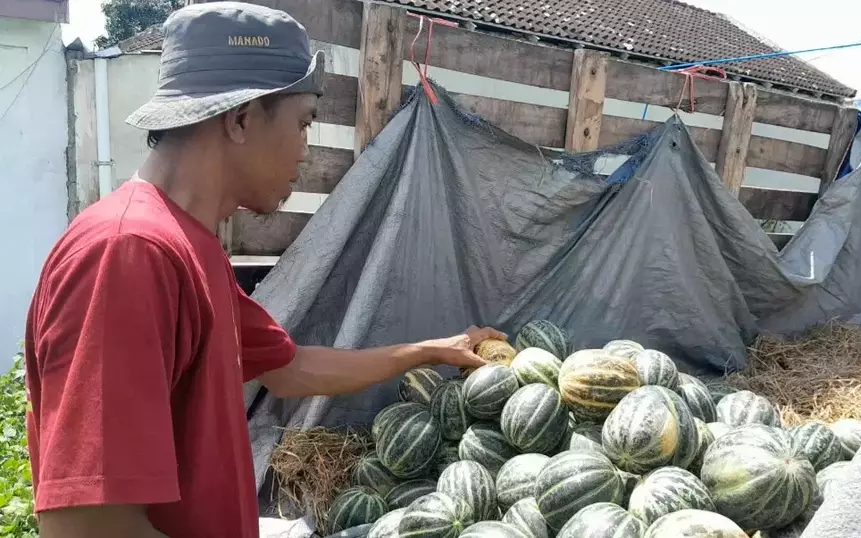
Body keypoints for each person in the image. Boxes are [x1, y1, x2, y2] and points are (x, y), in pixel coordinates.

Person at [23, 3, 504, 537]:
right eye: (302, 123)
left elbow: (290, 368)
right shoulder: (129, 253)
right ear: (241, 118)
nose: (305, 149)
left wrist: (434, 350)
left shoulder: (188, 246)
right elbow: (85, 526)